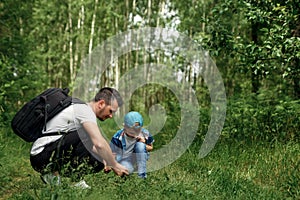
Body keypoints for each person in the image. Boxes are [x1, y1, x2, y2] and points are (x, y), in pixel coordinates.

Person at [30, 87, 129, 188]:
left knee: (99, 158)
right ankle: (51, 174)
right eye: (111, 111)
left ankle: (75, 178)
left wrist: (107, 159)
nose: (111, 116)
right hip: (41, 155)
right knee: (86, 135)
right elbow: (99, 143)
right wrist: (115, 165)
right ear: (101, 104)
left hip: (49, 151)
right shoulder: (84, 111)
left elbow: (93, 146)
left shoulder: (83, 110)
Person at [110, 111, 154, 179]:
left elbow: (151, 147)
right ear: (124, 126)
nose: (135, 133)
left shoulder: (145, 133)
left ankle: (142, 176)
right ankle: (126, 177)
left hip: (138, 156)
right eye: (131, 131)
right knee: (127, 170)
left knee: (140, 145)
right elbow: (112, 153)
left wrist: (143, 143)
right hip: (124, 158)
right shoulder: (117, 137)